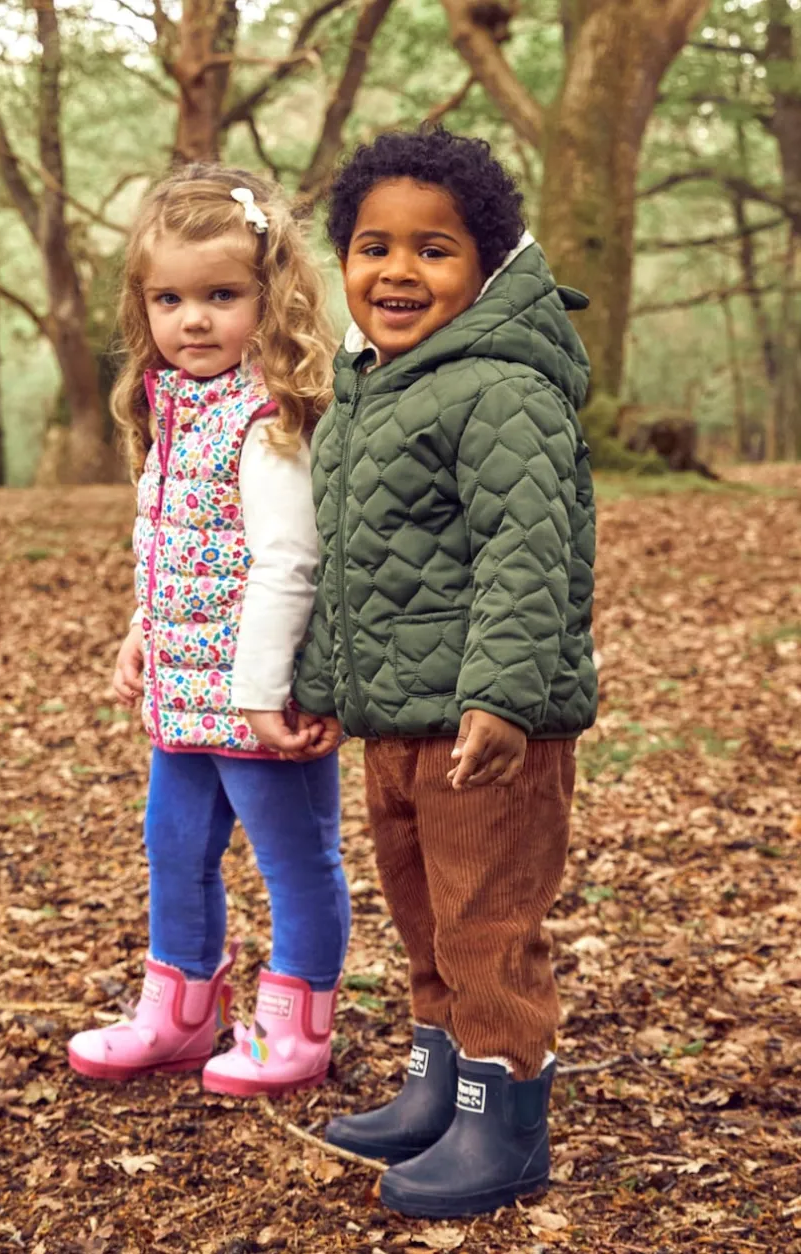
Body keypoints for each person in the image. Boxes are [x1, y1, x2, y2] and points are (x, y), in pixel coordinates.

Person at [292, 127, 597, 1217]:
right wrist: (321, 687)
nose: (398, 271)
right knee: (425, 916)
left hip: (486, 727)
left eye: (434, 250)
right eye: (373, 247)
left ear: (486, 263)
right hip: (399, 721)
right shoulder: (370, 391)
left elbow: (530, 551)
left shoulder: (501, 389)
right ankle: (441, 1088)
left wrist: (503, 697)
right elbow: (351, 563)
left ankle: (503, 1124)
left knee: (486, 924)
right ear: (343, 260)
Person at [68, 165, 350, 1098]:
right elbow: (173, 539)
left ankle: (296, 1024)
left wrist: (262, 691)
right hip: (185, 686)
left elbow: (288, 562)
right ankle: (180, 1011)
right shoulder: (175, 405)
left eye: (222, 296)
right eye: (170, 299)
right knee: (175, 846)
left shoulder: (266, 418)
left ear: (271, 298)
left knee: (293, 857)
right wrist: (141, 629)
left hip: (262, 697)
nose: (193, 320)